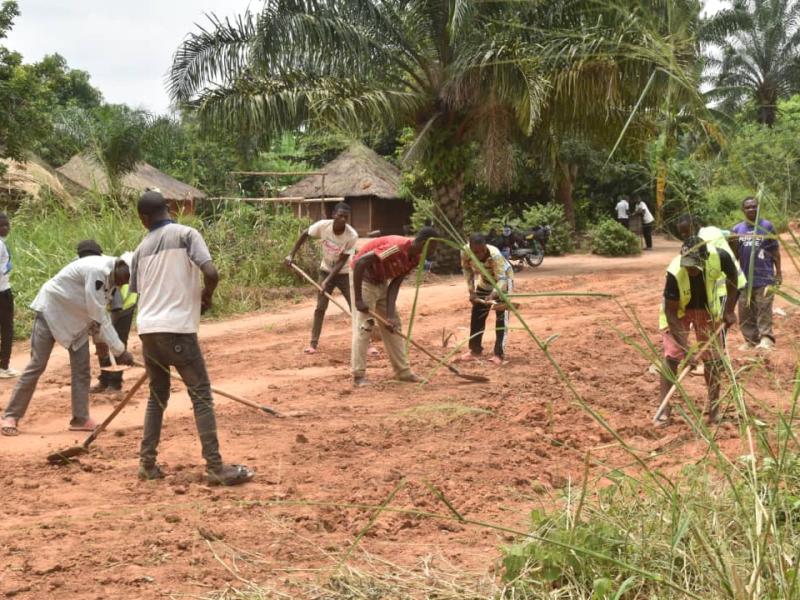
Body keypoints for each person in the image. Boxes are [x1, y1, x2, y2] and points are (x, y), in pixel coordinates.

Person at [131, 190, 253, 485]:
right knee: (200, 394)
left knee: (157, 397)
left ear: (143, 218)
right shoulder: (187, 234)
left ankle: (147, 464)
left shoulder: (139, 249)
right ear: (169, 209)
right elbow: (211, 272)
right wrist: (206, 297)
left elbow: (138, 291)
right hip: (177, 329)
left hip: (148, 329)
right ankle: (214, 467)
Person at [0, 255, 135, 436]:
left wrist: (100, 342)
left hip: (77, 324)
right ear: (121, 265)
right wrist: (120, 351)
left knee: (82, 369)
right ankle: (10, 416)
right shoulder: (97, 271)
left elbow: (97, 313)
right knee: (37, 365)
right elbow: (99, 315)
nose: (123, 284)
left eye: (127, 282)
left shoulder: (111, 280)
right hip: (51, 313)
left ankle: (80, 418)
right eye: (125, 278)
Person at [657, 236, 743, 425]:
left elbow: (734, 279)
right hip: (679, 311)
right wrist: (687, 349)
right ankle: (664, 408)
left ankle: (714, 412)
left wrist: (729, 310)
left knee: (712, 360)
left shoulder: (721, 257)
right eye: (687, 265)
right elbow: (671, 313)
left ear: (704, 260)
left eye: (694, 266)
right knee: (672, 356)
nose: (690, 269)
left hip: (707, 310)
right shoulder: (674, 272)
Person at [350, 227, 439, 386]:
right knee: (365, 327)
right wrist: (358, 299)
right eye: (433, 248)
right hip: (365, 280)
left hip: (382, 281)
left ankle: (403, 372)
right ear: (425, 243)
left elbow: (395, 283)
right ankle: (359, 375)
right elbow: (361, 262)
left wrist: (390, 315)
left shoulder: (415, 258)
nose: (434, 252)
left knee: (394, 326)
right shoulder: (396, 248)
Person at [285, 202, 358, 354]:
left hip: (344, 273)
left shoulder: (351, 235)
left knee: (355, 307)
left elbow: (342, 261)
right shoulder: (323, 226)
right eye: (340, 216)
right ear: (333, 215)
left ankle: (366, 342)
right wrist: (291, 254)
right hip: (325, 270)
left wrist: (327, 281)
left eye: (346, 217)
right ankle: (313, 344)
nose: (343, 220)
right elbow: (305, 234)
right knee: (320, 308)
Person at [730, 196, 782, 351]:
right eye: (748, 207)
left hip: (765, 277)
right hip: (744, 279)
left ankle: (766, 338)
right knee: (745, 310)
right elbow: (734, 256)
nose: (751, 209)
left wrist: (778, 272)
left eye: (754, 206)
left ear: (758, 208)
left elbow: (775, 252)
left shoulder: (767, 226)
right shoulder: (737, 230)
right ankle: (750, 340)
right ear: (743, 210)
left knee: (764, 308)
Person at [460, 233, 514, 365]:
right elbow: (467, 270)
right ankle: (475, 350)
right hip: (484, 281)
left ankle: (499, 354)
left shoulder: (495, 255)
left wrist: (495, 293)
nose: (479, 255)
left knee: (501, 317)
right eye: (476, 252)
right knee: (477, 314)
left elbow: (502, 278)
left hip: (503, 283)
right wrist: (471, 291)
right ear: (471, 248)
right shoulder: (465, 251)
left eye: (482, 251)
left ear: (486, 246)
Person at [0, 213, 17, 379]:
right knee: (6, 328)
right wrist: (5, 268)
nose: (5, 228)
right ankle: (3, 366)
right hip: (2, 291)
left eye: (7, 225)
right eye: (1, 226)